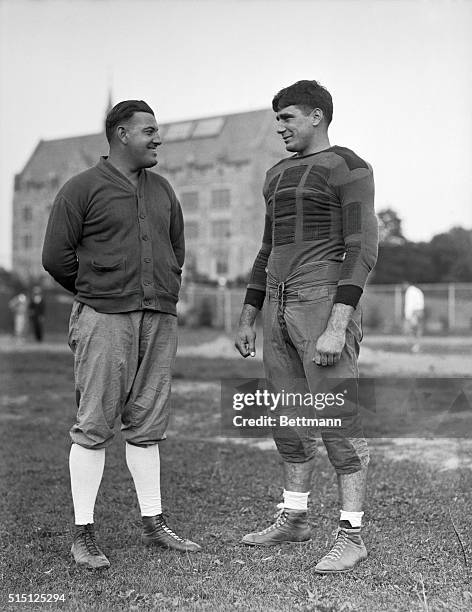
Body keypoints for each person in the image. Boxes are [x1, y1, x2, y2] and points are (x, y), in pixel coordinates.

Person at [42, 100, 201, 570]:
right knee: (94, 424)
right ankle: (83, 533)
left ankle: (153, 522)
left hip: (159, 316)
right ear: (120, 135)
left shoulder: (164, 189)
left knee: (149, 422)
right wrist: (100, 290)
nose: (158, 139)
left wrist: (157, 290)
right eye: (149, 131)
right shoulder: (81, 188)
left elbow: (176, 250)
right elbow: (56, 257)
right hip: (104, 316)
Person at [235, 81, 378, 573]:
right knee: (287, 419)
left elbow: (362, 248)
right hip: (276, 305)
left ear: (317, 116)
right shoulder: (275, 174)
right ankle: (294, 517)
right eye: (278, 118)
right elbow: (265, 248)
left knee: (337, 419)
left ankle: (352, 534)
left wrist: (339, 323)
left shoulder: (348, 165)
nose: (280, 126)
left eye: (289, 117)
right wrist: (249, 312)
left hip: (321, 303)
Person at [403, 283, 425, 352]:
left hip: (414, 312)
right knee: (418, 330)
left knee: (408, 329)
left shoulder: (409, 291)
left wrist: (409, 316)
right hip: (420, 311)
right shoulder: (418, 291)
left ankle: (414, 346)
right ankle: (417, 345)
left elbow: (410, 304)